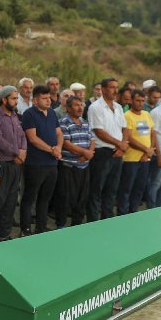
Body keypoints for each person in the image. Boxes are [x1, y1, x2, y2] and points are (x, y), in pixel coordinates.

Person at [0, 85, 27, 241]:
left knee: (10, 202)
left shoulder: (15, 116)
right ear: (4, 99)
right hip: (2, 165)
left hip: (16, 165)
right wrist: (17, 152)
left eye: (17, 98)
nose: (16, 101)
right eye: (13, 98)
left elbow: (22, 136)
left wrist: (23, 151)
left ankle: (4, 235)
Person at [21, 85, 62, 235]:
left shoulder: (51, 113)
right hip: (35, 163)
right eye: (44, 98)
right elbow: (32, 138)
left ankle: (41, 227)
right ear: (35, 100)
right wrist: (52, 150)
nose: (48, 101)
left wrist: (58, 147)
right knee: (29, 198)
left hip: (52, 163)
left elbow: (59, 133)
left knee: (45, 198)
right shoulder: (29, 114)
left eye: (49, 98)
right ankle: (25, 229)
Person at [86, 78, 128, 221]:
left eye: (117, 87)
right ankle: (93, 222)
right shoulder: (95, 107)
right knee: (96, 190)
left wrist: (123, 145)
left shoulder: (119, 107)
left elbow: (125, 128)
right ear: (103, 89)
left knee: (112, 190)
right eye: (112, 87)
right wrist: (120, 144)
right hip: (102, 153)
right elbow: (99, 132)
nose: (115, 90)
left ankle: (108, 220)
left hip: (117, 153)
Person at [56, 96, 94, 228]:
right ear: (68, 108)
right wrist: (85, 153)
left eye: (81, 105)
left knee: (82, 199)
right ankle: (61, 226)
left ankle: (77, 226)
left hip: (84, 166)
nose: (80, 108)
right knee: (65, 198)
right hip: (69, 166)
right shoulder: (63, 122)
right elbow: (67, 144)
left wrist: (89, 154)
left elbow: (92, 140)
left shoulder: (85, 122)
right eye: (76, 105)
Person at [117, 90, 157, 215]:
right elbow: (128, 137)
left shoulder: (146, 114)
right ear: (131, 101)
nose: (140, 103)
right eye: (137, 100)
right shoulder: (127, 116)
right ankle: (122, 215)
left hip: (145, 159)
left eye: (142, 101)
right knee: (126, 189)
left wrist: (148, 152)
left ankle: (133, 213)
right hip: (131, 159)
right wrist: (146, 150)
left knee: (139, 189)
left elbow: (153, 133)